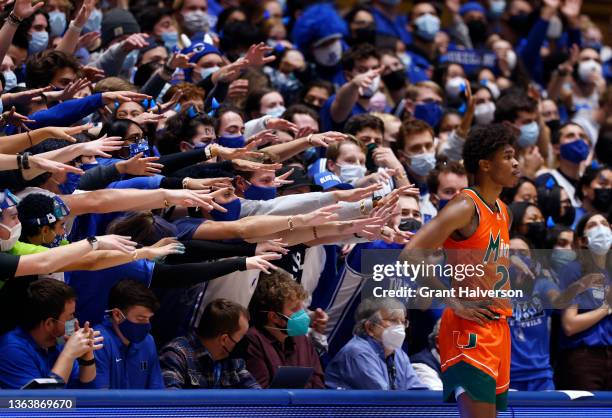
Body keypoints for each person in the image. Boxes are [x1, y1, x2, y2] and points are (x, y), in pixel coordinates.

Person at [400, 124, 520, 417]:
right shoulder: (465, 206)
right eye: (508, 156)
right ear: (485, 164)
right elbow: (410, 254)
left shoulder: (504, 211)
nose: (516, 162)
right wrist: (454, 302)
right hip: (468, 328)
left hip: (498, 326)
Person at [0, 278, 103, 388]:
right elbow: (43, 402)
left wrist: (87, 358)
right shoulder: (12, 350)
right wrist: (68, 354)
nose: (75, 321)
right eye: (70, 316)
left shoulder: (59, 343)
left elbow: (85, 393)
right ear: (49, 323)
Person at [556, 212, 612, 390]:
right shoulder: (573, 270)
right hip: (584, 359)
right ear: (582, 240)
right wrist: (606, 308)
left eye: (604, 223)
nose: (601, 228)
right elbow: (570, 325)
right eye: (592, 225)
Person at [245, 270, 324, 388]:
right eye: (294, 309)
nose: (302, 314)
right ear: (274, 317)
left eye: (301, 307)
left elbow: (318, 385)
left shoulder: (303, 340)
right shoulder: (253, 341)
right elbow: (259, 395)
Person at [325, 297, 426, 390]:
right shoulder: (358, 353)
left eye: (403, 322)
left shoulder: (399, 354)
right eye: (393, 320)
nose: (401, 327)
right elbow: (382, 399)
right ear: (370, 328)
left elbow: (418, 391)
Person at [159, 298, 259, 389]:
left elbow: (257, 396)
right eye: (242, 337)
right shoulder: (175, 356)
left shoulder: (233, 361)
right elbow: (170, 403)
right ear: (224, 339)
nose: (244, 342)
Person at [94, 279, 164, 389]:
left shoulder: (148, 341)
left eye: (149, 319)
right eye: (141, 319)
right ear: (117, 315)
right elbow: (100, 399)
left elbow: (157, 391)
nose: (147, 325)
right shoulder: (98, 341)